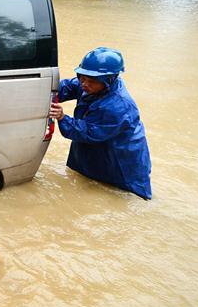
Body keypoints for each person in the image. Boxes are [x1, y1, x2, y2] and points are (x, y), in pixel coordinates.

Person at [48, 47, 152, 200]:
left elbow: (89, 132)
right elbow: (67, 87)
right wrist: (45, 90)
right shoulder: (91, 84)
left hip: (120, 161)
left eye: (91, 81)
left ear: (109, 80)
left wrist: (63, 118)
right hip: (97, 152)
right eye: (82, 77)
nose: (84, 84)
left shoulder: (118, 106)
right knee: (83, 184)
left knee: (123, 199)